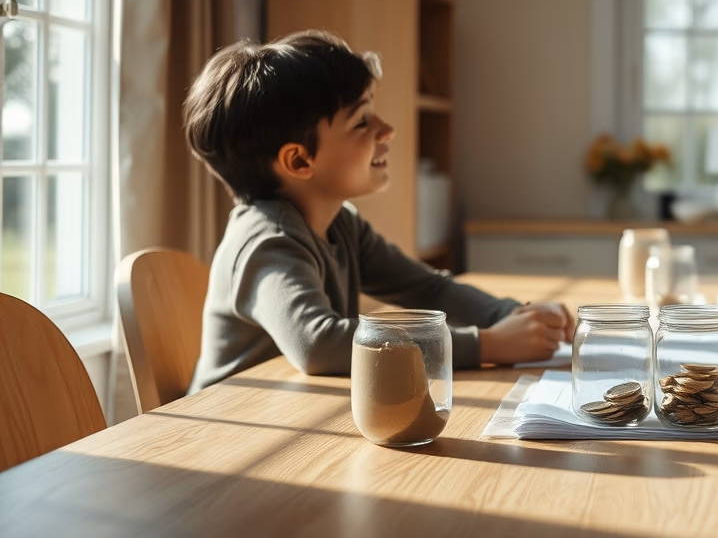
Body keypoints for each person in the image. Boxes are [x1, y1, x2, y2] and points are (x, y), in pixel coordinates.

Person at [183, 30, 573, 393]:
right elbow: (319, 344)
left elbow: (428, 288)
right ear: (299, 161)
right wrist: (488, 344)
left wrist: (516, 316)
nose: (387, 130)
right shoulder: (267, 241)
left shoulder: (340, 223)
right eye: (362, 121)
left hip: (295, 416)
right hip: (230, 440)